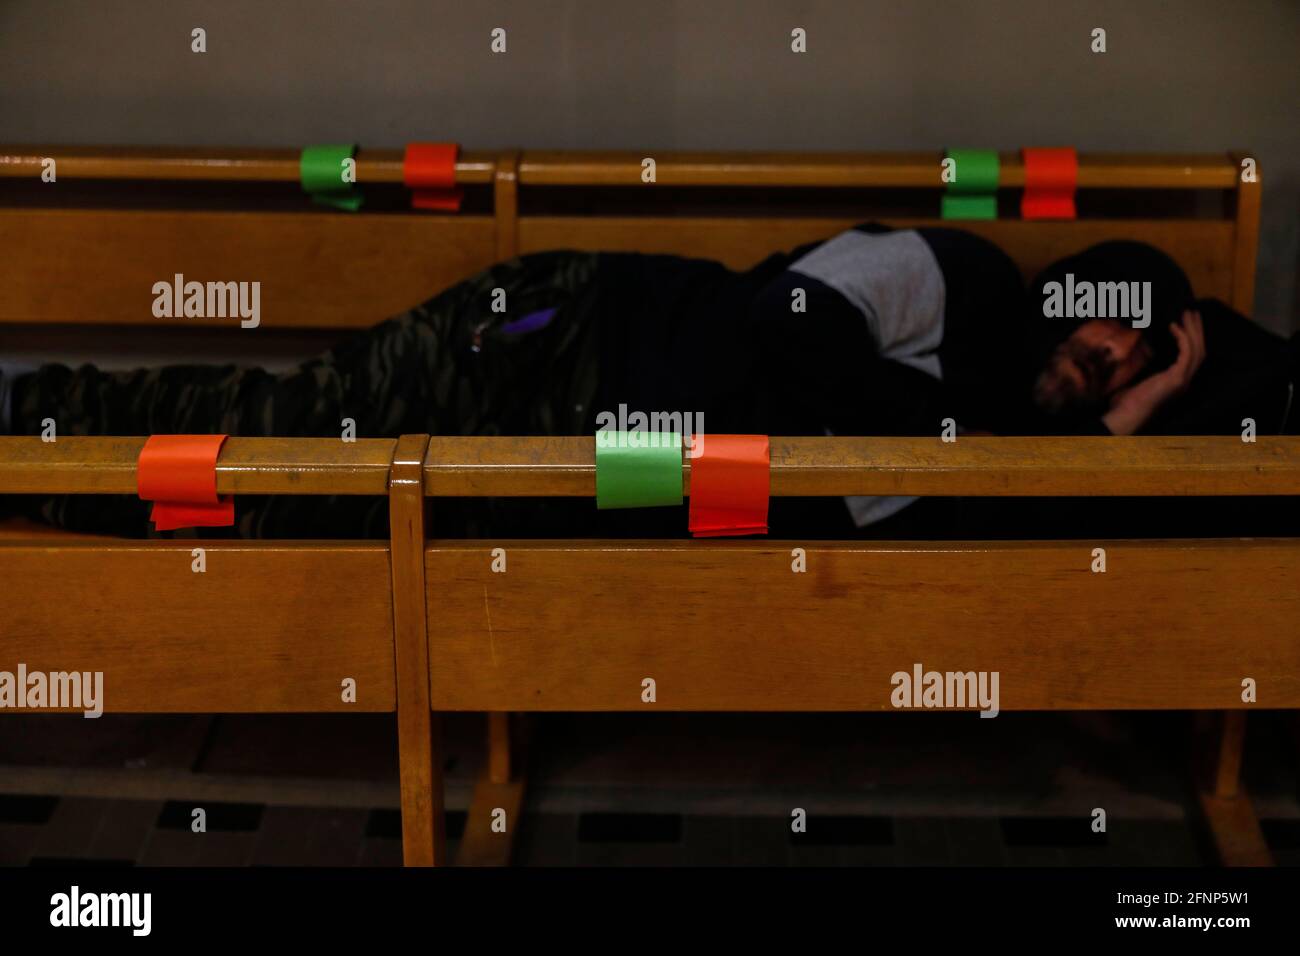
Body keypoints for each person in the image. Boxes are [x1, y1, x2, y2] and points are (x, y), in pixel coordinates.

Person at [1, 228, 1292, 539]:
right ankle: (25, 408)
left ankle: (46, 475)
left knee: (307, 506)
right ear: (1078, 293)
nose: (1110, 363)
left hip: (605, 436)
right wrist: (949, 422)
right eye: (1110, 334)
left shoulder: (1024, 436)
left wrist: (1126, 426)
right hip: (563, 333)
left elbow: (855, 464)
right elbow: (781, 326)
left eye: (1133, 371)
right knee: (275, 429)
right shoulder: (955, 276)